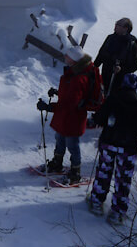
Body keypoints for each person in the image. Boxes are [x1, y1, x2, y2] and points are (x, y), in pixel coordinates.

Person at [88, 73, 137, 226]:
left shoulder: (113, 98)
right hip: (128, 147)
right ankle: (118, 211)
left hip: (109, 142)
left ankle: (97, 201)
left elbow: (100, 119)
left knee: (104, 171)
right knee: (123, 179)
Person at [36, 45, 97, 184]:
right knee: (60, 139)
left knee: (72, 145)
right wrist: (57, 93)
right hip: (65, 117)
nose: (65, 56)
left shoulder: (78, 78)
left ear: (74, 60)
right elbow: (69, 96)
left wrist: (49, 107)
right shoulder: (73, 73)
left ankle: (75, 171)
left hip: (73, 118)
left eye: (68, 55)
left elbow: (71, 103)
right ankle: (57, 162)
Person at [94, 17, 137, 96]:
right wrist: (94, 66)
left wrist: (121, 69)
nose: (115, 26)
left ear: (126, 28)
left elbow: (134, 64)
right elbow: (101, 54)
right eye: (116, 24)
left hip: (120, 79)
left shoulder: (131, 42)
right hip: (106, 73)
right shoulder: (110, 38)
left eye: (118, 25)